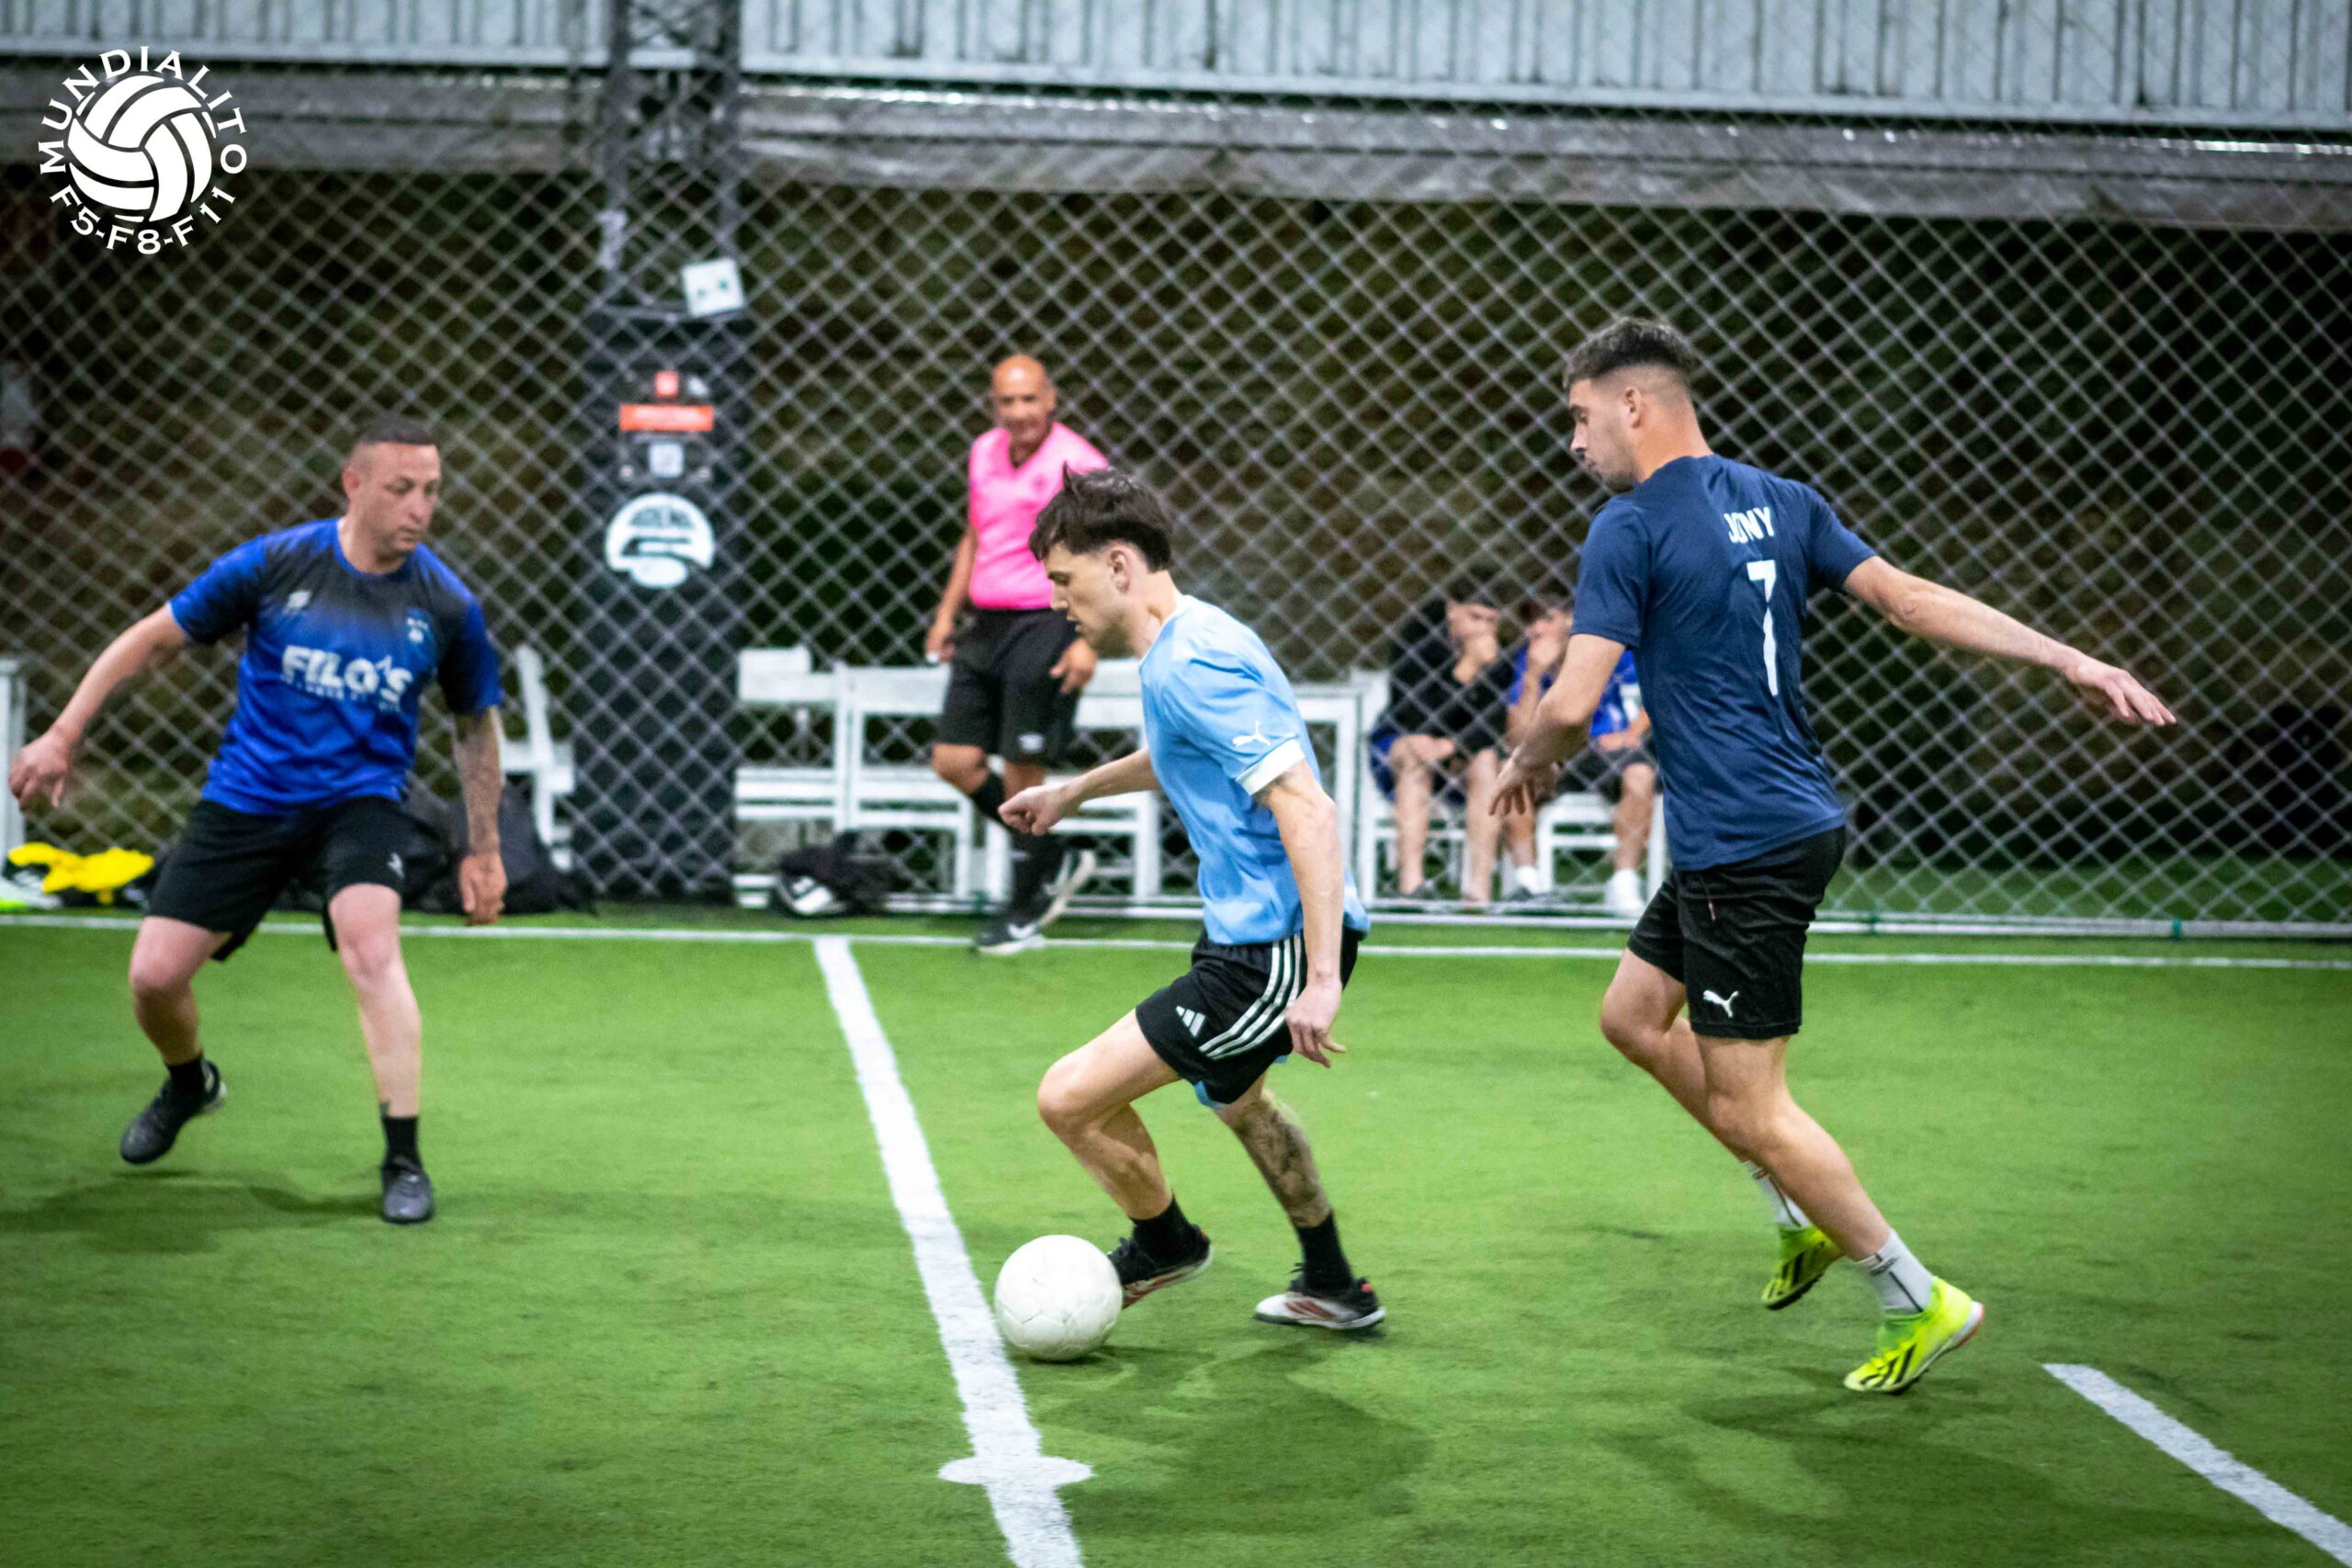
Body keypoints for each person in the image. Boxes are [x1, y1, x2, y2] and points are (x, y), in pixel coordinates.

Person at [1496, 320, 2174, 1393]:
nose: (1573, 442)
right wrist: (2067, 657)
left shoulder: (1627, 526)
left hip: (1743, 845)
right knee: (1631, 1017)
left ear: (1633, 404)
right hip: (1781, 820)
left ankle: (1915, 1295)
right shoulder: (1783, 500)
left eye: (1579, 417)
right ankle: (1796, 1211)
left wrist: (1524, 763)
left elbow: (1574, 704)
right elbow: (1908, 600)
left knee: (1750, 1106)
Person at [6, 416, 509, 1225]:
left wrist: (483, 846)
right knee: (153, 977)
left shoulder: (445, 603)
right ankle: (189, 1083)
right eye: (401, 489)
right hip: (249, 796)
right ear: (354, 484)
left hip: (361, 802)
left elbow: (474, 724)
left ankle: (404, 1159)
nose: (421, 507)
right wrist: (63, 734)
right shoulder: (277, 563)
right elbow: (152, 639)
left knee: (371, 946)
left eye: (432, 490)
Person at [1002, 467, 1383, 1331]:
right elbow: (1179, 751)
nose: (1056, 600)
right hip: (1252, 940)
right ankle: (1333, 1283)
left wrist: (1321, 978)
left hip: (1271, 953)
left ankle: (1165, 1242)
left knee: (1068, 1097)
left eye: (1063, 579)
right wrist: (1073, 792)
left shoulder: (1196, 662)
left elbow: (1308, 808)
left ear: (1120, 564)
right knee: (1239, 1101)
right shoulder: (1186, 643)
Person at [928, 355, 1109, 953]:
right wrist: (947, 613)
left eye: (1029, 398)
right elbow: (975, 535)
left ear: (1050, 399)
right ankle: (1050, 852)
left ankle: (1023, 908)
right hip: (987, 623)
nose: (1018, 411)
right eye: (1007, 401)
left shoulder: (1079, 462)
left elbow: (1104, 554)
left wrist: (1088, 639)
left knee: (1021, 767)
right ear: (994, 405)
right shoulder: (984, 451)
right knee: (954, 760)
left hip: (1046, 621)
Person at [1505, 595, 1657, 917]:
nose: (1536, 628)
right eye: (1531, 620)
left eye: (1546, 618)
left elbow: (1657, 691)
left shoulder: (1607, 651)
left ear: (1569, 620)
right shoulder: (1527, 659)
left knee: (1641, 774)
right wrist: (1533, 676)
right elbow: (1518, 737)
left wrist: (1632, 732)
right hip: (1552, 750)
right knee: (1513, 770)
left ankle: (1623, 882)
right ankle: (1528, 883)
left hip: (1603, 747)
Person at [1384, 579, 1515, 906]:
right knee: (1414, 754)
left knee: (1486, 760)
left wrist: (1453, 745)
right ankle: (1411, 885)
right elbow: (1414, 716)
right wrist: (1467, 668)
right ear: (1452, 610)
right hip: (1407, 743)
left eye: (1491, 621)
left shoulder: (1499, 652)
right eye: (1475, 617)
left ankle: (1477, 892)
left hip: (1464, 749)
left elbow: (1494, 723)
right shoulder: (1417, 640)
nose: (1483, 629)